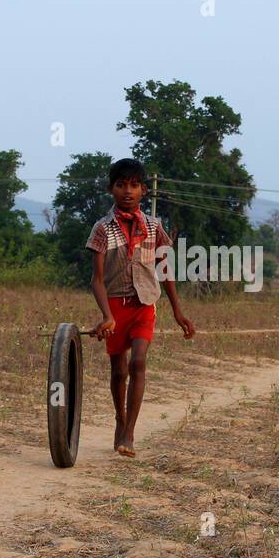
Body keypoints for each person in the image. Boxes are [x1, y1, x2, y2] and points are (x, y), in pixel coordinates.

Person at [87, 158, 195, 457]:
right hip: (115, 307)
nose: (127, 191)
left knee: (138, 363)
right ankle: (120, 422)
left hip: (145, 304)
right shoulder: (102, 229)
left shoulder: (153, 226)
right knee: (119, 371)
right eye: (121, 185)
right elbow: (96, 280)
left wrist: (178, 311)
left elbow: (165, 269)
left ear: (143, 191)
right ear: (111, 189)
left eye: (134, 185)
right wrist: (106, 316)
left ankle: (130, 434)